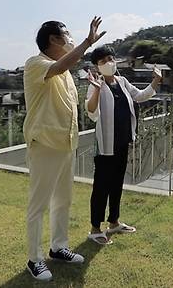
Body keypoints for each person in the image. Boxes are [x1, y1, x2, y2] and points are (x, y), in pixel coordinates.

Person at [22, 17, 106, 281]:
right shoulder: (35, 64)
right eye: (66, 35)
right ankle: (34, 259)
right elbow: (59, 66)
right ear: (53, 40)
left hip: (65, 144)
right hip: (45, 143)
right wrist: (87, 42)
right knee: (39, 204)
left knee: (63, 200)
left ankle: (58, 247)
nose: (70, 38)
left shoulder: (67, 73)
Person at [84, 45, 162, 245]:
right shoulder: (96, 84)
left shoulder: (122, 81)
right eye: (103, 61)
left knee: (117, 184)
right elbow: (91, 112)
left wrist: (156, 80)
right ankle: (95, 228)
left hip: (122, 142)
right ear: (97, 66)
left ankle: (114, 222)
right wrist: (97, 90)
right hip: (105, 146)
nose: (109, 63)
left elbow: (140, 96)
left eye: (110, 58)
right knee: (101, 186)